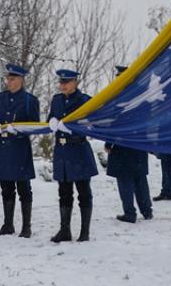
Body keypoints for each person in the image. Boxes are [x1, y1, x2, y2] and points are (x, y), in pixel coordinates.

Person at [0, 63, 40, 238]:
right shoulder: (2, 97)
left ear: (21, 80)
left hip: (20, 148)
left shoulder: (30, 100)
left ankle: (26, 226)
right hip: (4, 147)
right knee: (6, 187)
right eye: (8, 79)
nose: (9, 82)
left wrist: (18, 130)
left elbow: (35, 126)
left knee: (24, 188)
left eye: (12, 79)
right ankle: (8, 224)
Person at [47, 68, 97, 243]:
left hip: (78, 149)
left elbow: (90, 124)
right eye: (61, 82)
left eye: (66, 82)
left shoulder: (85, 100)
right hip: (62, 150)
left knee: (83, 192)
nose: (63, 85)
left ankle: (84, 231)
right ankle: (65, 230)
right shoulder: (57, 100)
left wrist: (71, 129)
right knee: (64, 192)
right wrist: (51, 121)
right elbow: (51, 117)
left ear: (75, 82)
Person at [104, 66, 153, 223]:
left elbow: (114, 123)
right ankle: (147, 210)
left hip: (122, 145)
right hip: (138, 143)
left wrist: (109, 143)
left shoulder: (119, 98)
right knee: (140, 179)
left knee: (125, 180)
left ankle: (129, 213)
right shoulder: (142, 95)